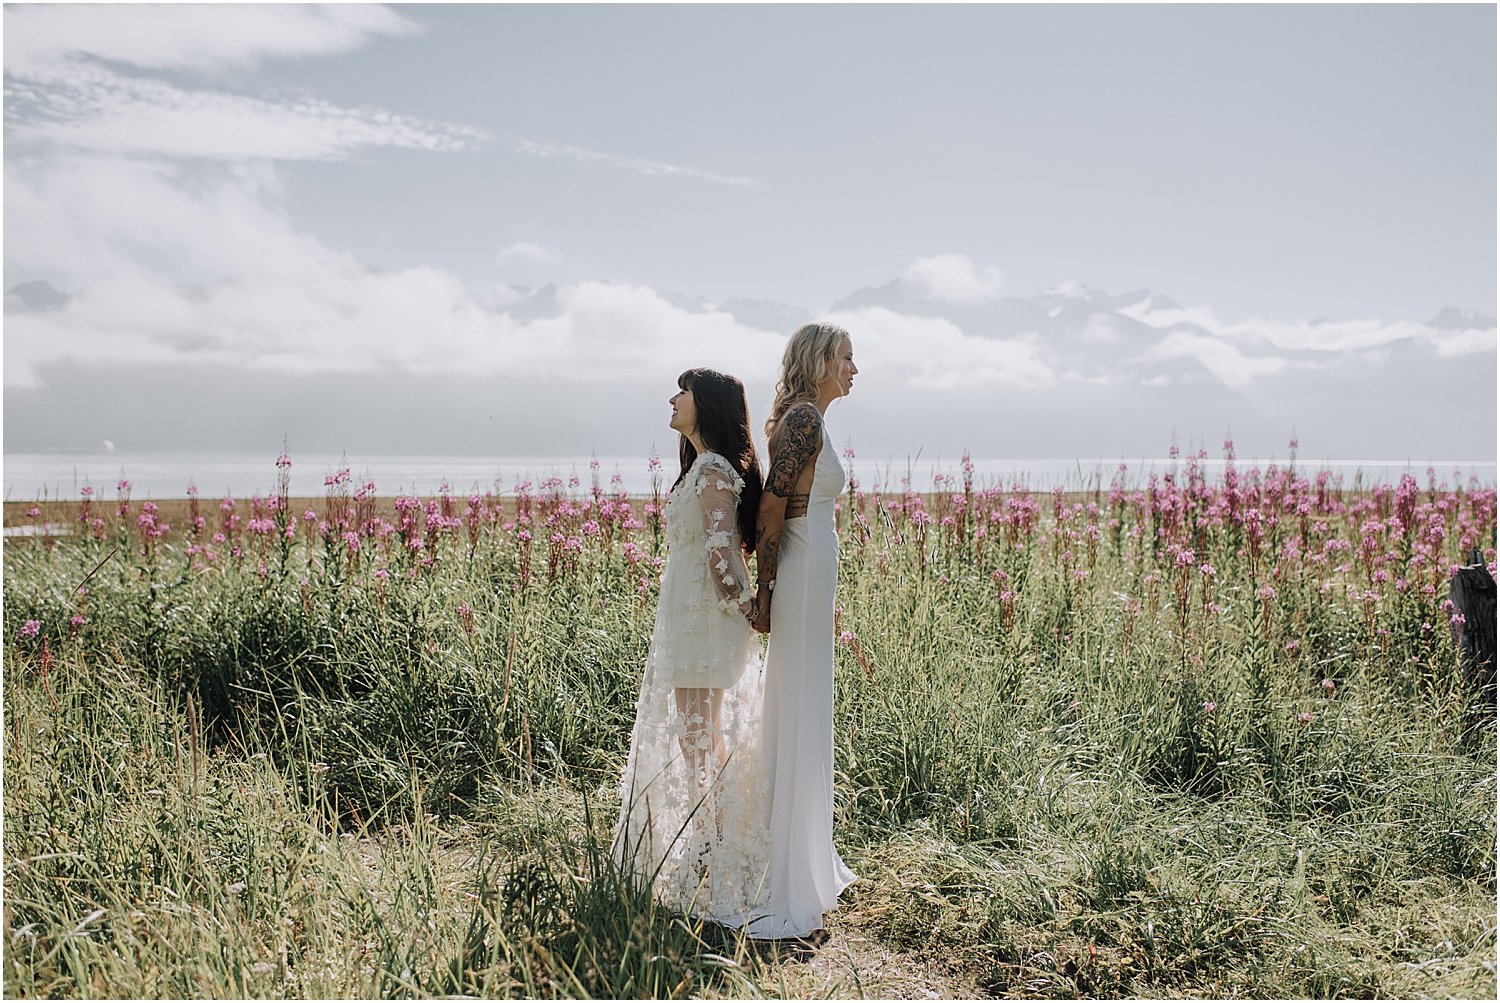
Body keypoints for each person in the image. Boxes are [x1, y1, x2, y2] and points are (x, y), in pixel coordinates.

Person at [612, 367, 773, 926]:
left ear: (705, 404)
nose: (673, 398)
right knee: (699, 736)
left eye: (682, 391)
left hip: (707, 619)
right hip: (690, 616)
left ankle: (714, 842)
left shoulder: (711, 470)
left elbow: (722, 551)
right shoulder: (702, 468)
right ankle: (712, 837)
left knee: (699, 736)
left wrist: (748, 607)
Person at [744, 321, 860, 939]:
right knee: (801, 708)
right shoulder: (805, 419)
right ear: (819, 360)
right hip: (800, 568)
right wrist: (764, 589)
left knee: (809, 706)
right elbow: (771, 505)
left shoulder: (809, 417)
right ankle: (789, 876)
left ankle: (807, 862)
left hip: (813, 572)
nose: (855, 367)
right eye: (847, 356)